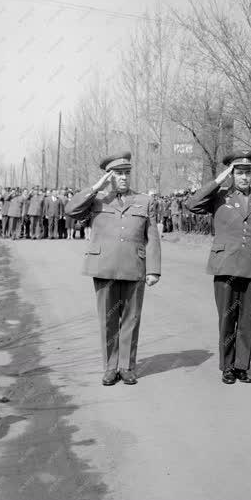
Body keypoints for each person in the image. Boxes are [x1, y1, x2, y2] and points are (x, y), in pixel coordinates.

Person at [66, 151, 161, 386]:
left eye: (126, 173)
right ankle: (110, 367)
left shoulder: (144, 201)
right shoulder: (97, 200)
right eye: (118, 174)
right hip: (104, 267)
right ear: (109, 176)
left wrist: (154, 270)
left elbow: (152, 236)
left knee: (131, 319)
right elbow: (71, 210)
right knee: (107, 320)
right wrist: (96, 187)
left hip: (134, 266)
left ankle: (126, 366)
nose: (123, 178)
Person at [187, 151, 251, 385]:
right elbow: (192, 203)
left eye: (248, 172)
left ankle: (241, 366)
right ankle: (227, 366)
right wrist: (218, 180)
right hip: (225, 265)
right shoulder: (220, 197)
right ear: (232, 174)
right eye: (239, 172)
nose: (244, 177)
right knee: (227, 319)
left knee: (246, 320)